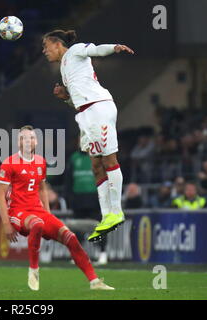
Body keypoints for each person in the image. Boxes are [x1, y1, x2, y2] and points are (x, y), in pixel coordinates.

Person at [42, 29, 134, 242]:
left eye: (46, 47)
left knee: (109, 160)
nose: (44, 52)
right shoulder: (64, 71)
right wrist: (65, 97)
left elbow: (95, 50)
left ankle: (116, 212)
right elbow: (77, 101)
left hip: (99, 108)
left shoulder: (74, 51)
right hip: (85, 113)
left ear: (57, 44)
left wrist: (114, 47)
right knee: (95, 165)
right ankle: (106, 216)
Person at [0, 125, 114, 291]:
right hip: (18, 213)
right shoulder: (9, 164)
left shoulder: (40, 162)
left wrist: (48, 214)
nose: (28, 141)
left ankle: (94, 281)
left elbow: (42, 189)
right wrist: (6, 223)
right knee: (37, 224)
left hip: (38, 211)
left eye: (31, 138)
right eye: (24, 138)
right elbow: (0, 196)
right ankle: (34, 270)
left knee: (70, 237)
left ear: (36, 141)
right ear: (19, 142)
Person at [65, 147, 108, 265]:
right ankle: (77, 255)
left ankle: (102, 254)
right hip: (78, 199)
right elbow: (68, 180)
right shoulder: (74, 158)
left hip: (95, 198)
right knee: (77, 230)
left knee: (99, 226)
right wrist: (69, 198)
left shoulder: (98, 156)